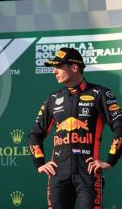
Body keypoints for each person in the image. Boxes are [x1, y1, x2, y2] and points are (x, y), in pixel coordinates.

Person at [28, 47, 122, 209]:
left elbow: (120, 126)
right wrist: (39, 163)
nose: (54, 71)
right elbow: (35, 134)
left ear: (74, 67)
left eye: (58, 66)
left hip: (89, 175)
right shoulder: (53, 98)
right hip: (57, 176)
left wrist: (110, 161)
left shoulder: (100, 94)